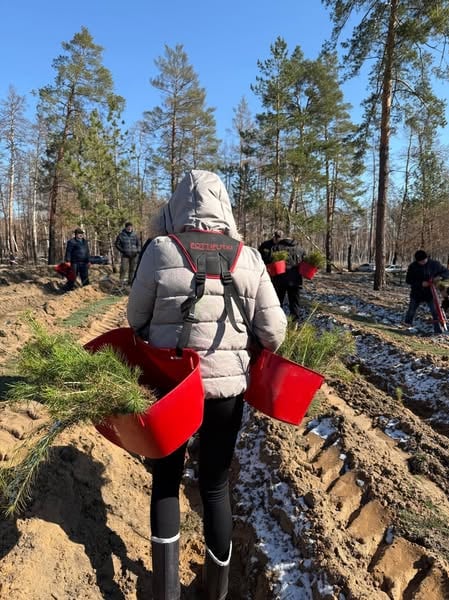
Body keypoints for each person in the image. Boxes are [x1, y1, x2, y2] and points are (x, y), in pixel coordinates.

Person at [127, 170, 287, 600]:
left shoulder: (161, 250)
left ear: (179, 206)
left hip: (172, 389)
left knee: (165, 479)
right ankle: (214, 592)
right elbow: (274, 333)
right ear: (225, 208)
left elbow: (134, 320)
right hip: (226, 394)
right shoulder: (249, 258)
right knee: (215, 485)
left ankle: (166, 593)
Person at [258, 230, 305, 322]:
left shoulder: (276, 248)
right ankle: (295, 324)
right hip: (295, 281)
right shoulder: (300, 249)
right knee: (295, 304)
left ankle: (276, 322)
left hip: (279, 280)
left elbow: (270, 261)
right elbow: (305, 263)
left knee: (277, 302)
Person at [403, 250, 449, 334]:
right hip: (416, 293)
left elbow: (447, 272)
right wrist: (420, 283)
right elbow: (408, 280)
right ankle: (407, 325)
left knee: (435, 311)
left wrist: (440, 277)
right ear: (417, 261)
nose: (423, 262)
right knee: (411, 310)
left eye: (424, 260)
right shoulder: (413, 267)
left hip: (431, 294)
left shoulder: (435, 264)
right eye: (421, 261)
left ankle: (438, 330)